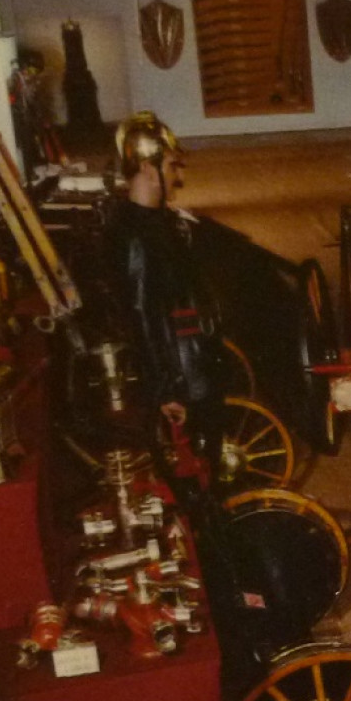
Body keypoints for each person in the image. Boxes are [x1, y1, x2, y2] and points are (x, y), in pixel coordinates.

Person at [104, 111, 228, 483]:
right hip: (180, 375)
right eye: (173, 165)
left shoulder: (153, 223)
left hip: (190, 362)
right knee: (196, 469)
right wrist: (164, 388)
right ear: (147, 166)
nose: (180, 177)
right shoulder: (136, 235)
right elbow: (142, 315)